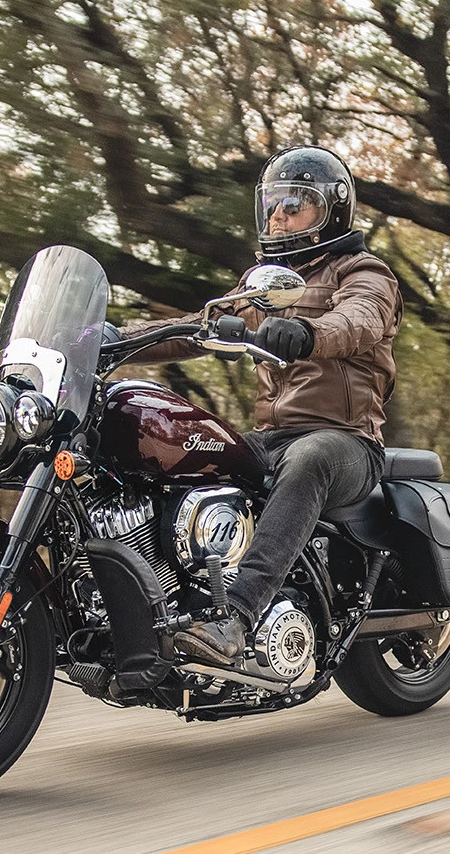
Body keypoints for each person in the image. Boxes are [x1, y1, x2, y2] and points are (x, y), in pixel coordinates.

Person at [119, 145, 400, 664]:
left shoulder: (363, 273)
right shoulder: (266, 283)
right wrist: (114, 338)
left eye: (294, 204)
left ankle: (237, 616)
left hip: (347, 443)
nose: (278, 216)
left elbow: (358, 320)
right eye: (273, 205)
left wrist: (309, 333)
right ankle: (171, 601)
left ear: (332, 210)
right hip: (271, 439)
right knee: (183, 447)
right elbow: (196, 327)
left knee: (310, 457)